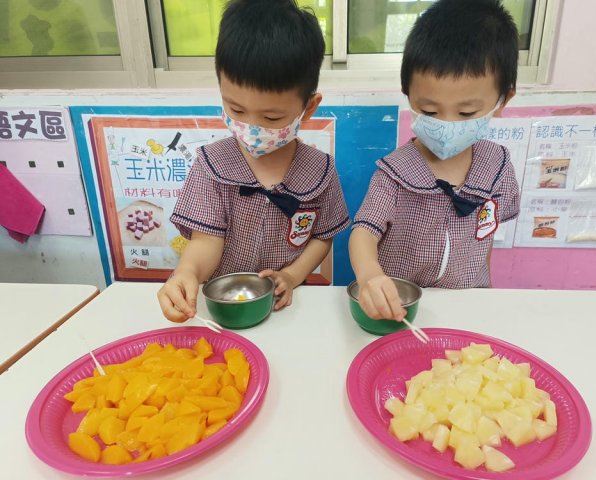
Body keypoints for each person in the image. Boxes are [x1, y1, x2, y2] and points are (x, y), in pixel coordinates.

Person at [158, 0, 350, 322]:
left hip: (287, 306)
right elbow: (206, 241)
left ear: (309, 108)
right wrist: (187, 272)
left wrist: (292, 275)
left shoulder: (320, 171)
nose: (252, 128)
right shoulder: (212, 165)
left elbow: (322, 235)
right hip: (222, 307)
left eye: (272, 117)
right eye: (236, 109)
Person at [349, 0, 521, 322]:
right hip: (403, 309)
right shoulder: (394, 173)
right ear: (407, 92)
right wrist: (370, 276)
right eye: (428, 110)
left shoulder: (497, 168)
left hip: (469, 304)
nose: (446, 124)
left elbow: (486, 237)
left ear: (502, 100)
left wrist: (487, 293)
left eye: (466, 113)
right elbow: (363, 232)